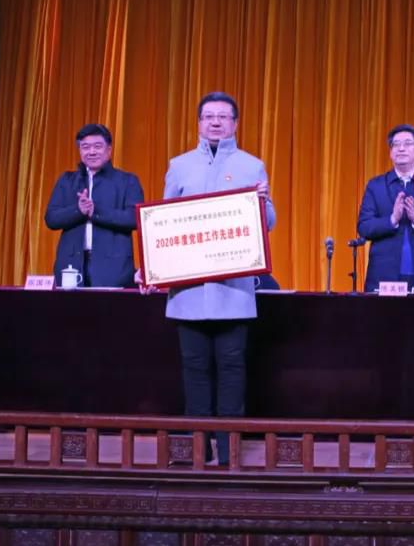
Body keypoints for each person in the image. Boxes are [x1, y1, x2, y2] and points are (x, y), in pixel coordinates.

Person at [159, 92, 276, 466]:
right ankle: (197, 451)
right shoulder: (179, 165)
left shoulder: (251, 166)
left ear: (235, 123)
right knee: (194, 373)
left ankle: (228, 453)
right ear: (198, 122)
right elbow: (161, 222)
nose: (215, 122)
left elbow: (268, 223)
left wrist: (262, 203)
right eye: (208, 116)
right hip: (189, 292)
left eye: (223, 117)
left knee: (231, 371)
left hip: (233, 292)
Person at [44, 123, 143, 287]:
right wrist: (79, 210)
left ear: (109, 150)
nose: (91, 152)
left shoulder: (127, 181)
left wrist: (95, 211)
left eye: (97, 146)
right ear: (80, 151)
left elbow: (135, 218)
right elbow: (51, 218)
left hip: (113, 269)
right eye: (85, 147)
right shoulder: (67, 180)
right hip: (71, 267)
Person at [356, 124, 414, 291]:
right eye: (396, 144)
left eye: (407, 143)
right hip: (384, 275)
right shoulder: (376, 186)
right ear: (391, 152)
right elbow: (364, 227)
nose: (401, 148)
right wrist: (392, 220)